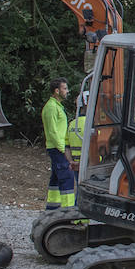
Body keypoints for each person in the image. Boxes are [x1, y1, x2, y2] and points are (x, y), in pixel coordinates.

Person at [41, 77, 76, 209]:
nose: (67, 91)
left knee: (56, 178)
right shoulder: (51, 108)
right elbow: (52, 132)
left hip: (58, 148)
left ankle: (52, 207)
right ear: (57, 91)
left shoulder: (56, 106)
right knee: (67, 177)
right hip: (58, 149)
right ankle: (68, 209)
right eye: (64, 88)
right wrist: (64, 150)